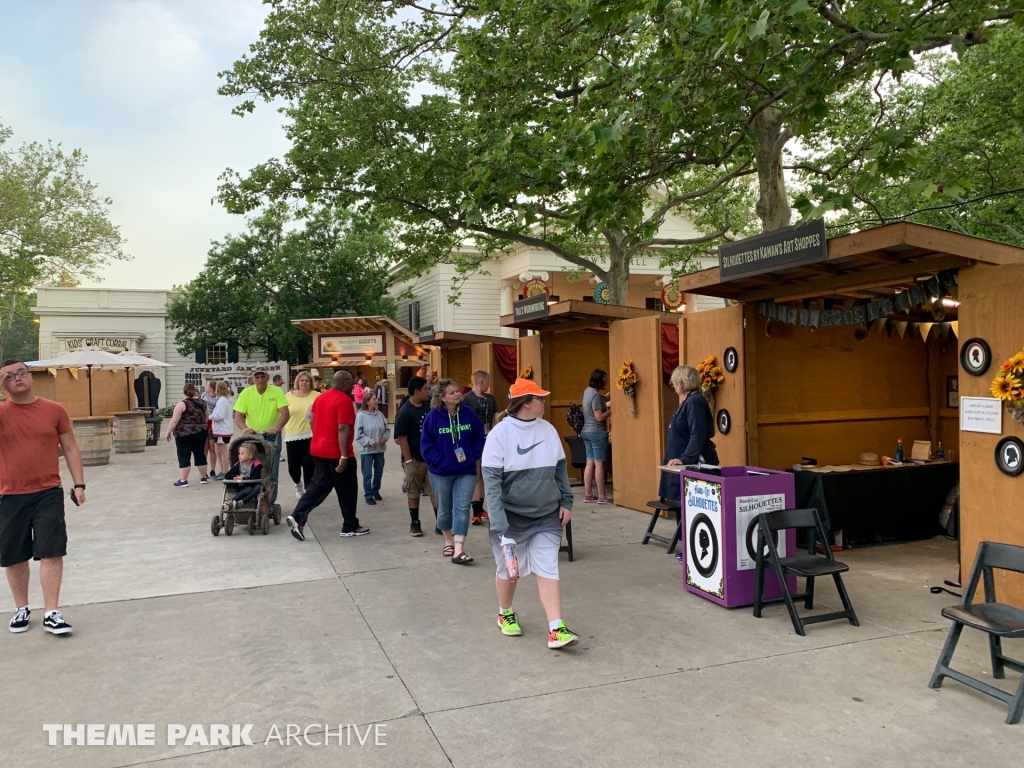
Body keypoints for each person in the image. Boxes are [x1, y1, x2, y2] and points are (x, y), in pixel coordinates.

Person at [482, 378, 578, 650]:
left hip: (547, 515)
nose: (544, 402)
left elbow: (560, 469)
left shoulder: (548, 430)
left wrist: (567, 502)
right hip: (510, 519)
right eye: (540, 398)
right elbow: (491, 483)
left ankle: (556, 628)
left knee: (548, 567)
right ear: (526, 403)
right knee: (509, 571)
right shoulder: (499, 435)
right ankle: (505, 612)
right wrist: (500, 526)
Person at [0, 359, 82, 636]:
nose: (17, 378)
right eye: (8, 376)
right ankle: (21, 607)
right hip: (9, 494)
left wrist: (79, 484)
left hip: (48, 491)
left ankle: (51, 611)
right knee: (14, 555)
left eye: (22, 373)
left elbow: (70, 448)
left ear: (31, 377)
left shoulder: (54, 410)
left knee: (51, 550)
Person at [286, 370, 368, 541]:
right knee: (348, 489)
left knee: (318, 486)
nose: (353, 386)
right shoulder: (344, 400)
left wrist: (319, 438)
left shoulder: (320, 398)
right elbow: (342, 428)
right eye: (351, 383)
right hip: (336, 452)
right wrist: (344, 456)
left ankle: (298, 517)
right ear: (345, 383)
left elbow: (312, 420)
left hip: (318, 449)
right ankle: (350, 526)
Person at [421, 378, 486, 564]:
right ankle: (448, 540)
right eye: (452, 392)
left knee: (462, 507)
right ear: (442, 398)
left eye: (457, 391)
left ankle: (459, 549)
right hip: (441, 472)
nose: (457, 394)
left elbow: (478, 436)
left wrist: (473, 455)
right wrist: (439, 461)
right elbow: (426, 445)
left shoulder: (468, 414)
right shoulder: (433, 417)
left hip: (465, 470)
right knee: (444, 509)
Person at [659, 365, 719, 502]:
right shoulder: (688, 400)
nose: (673, 385)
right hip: (681, 464)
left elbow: (697, 434)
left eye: (674, 381)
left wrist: (685, 459)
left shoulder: (694, 401)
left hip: (693, 465)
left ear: (681, 382)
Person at [233, 365, 289, 506]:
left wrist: (276, 427)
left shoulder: (276, 391)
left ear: (267, 377)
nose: (260, 379)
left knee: (271, 469)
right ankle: (250, 498)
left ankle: (269, 503)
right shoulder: (246, 393)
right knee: (250, 467)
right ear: (252, 379)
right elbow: (238, 415)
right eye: (256, 377)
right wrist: (244, 428)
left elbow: (285, 413)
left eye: (262, 376)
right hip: (252, 437)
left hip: (271, 435)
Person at [394, 376, 437, 537]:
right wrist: (409, 461)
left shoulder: (429, 407)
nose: (428, 392)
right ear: (417, 391)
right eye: (425, 389)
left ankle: (440, 521)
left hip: (431, 459)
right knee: (413, 491)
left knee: (434, 491)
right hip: (415, 459)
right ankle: (415, 522)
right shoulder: (405, 412)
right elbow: (402, 439)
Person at [461, 369, 498, 525]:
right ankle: (475, 511)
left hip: (489, 441)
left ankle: (481, 508)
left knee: (484, 475)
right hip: (473, 442)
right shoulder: (466, 399)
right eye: (488, 382)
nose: (489, 385)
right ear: (481, 382)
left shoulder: (490, 398)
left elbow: (496, 415)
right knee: (475, 475)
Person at [166, 383, 210, 487]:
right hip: (200, 432)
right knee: (200, 454)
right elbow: (206, 417)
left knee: (184, 456)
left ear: (184, 392)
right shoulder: (203, 403)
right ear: (195, 391)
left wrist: (168, 431)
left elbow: (174, 420)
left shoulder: (182, 404)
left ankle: (183, 480)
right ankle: (203, 478)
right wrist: (198, 425)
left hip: (184, 433)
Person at [284, 372, 319, 498]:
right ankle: (298, 484)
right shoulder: (288, 396)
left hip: (311, 435)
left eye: (307, 381)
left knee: (309, 464)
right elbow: (281, 413)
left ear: (311, 383)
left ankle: (308, 491)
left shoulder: (317, 396)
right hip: (292, 435)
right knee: (293, 466)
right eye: (301, 380)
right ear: (297, 382)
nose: (304, 383)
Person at [581, 368, 611, 504]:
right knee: (599, 464)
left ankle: (588, 494)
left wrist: (610, 395)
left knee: (590, 462)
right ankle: (602, 496)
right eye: (604, 380)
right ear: (599, 380)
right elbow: (599, 417)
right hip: (597, 432)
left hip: (586, 431)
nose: (606, 382)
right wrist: (612, 410)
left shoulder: (588, 391)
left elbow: (603, 397)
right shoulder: (596, 396)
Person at [355, 389, 389, 505]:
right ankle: (368, 494)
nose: (376, 401)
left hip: (379, 449)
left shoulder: (380, 415)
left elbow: (387, 429)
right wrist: (369, 441)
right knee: (367, 473)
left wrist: (384, 437)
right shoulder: (361, 416)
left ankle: (376, 490)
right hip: (367, 450)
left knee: (379, 471)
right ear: (368, 402)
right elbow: (358, 434)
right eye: (374, 399)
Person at [221, 441, 263, 510]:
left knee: (258, 487)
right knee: (248, 489)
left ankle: (242, 502)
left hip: (253, 485)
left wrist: (244, 478)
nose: (239, 455)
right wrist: (235, 477)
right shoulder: (238, 465)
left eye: (242, 454)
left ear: (250, 455)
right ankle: (231, 502)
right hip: (240, 487)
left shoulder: (256, 465)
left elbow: (257, 477)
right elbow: (227, 475)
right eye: (239, 453)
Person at [210, 380, 235, 479]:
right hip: (219, 430)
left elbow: (220, 415)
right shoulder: (224, 400)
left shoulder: (222, 400)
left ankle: (225, 472)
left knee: (223, 451)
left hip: (222, 430)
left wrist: (209, 416)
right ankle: (222, 471)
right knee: (218, 451)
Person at [201, 381, 220, 477]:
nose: (205, 386)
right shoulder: (204, 395)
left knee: (212, 448)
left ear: (212, 388)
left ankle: (212, 470)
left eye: (207, 385)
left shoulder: (218, 398)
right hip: (204, 424)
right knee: (204, 448)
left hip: (214, 424)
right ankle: (204, 471)